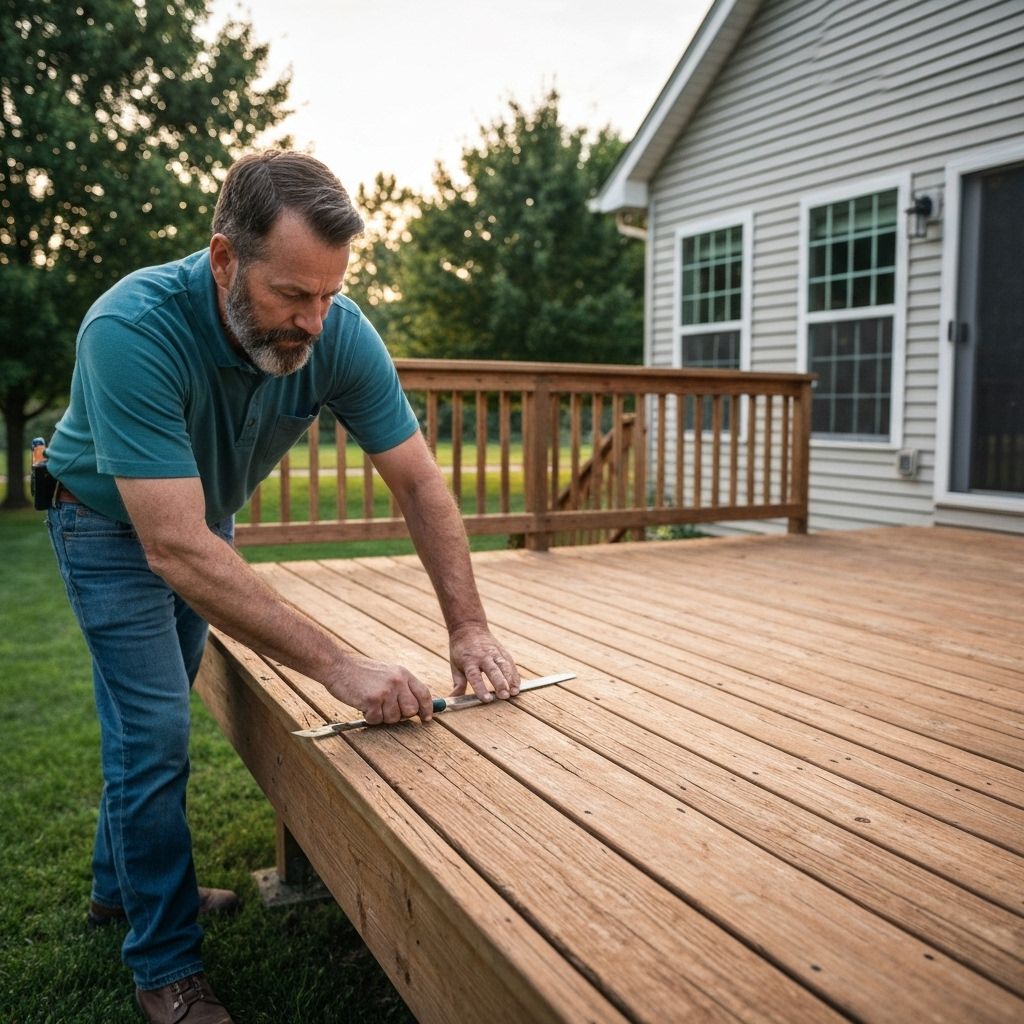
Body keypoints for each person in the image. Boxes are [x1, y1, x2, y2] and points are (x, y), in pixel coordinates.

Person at [44, 150, 520, 1024]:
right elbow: (174, 547)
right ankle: (165, 966)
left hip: (202, 525)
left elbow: (419, 482)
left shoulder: (336, 331)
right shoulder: (130, 329)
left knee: (147, 719)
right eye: (292, 296)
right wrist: (339, 666)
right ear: (225, 259)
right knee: (151, 732)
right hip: (110, 526)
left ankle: (119, 891)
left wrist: (470, 627)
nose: (313, 320)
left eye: (330, 294)